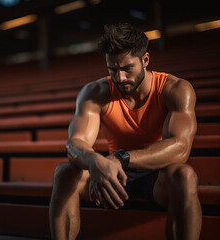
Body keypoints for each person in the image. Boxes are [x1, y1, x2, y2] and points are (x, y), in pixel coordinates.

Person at [49, 23, 202, 240]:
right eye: (112, 69)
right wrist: (94, 161)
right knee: (64, 173)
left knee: (185, 175)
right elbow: (75, 144)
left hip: (156, 175)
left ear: (145, 60)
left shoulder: (175, 89)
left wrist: (121, 158)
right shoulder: (95, 92)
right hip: (112, 174)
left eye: (127, 68)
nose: (120, 78)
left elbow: (180, 148)